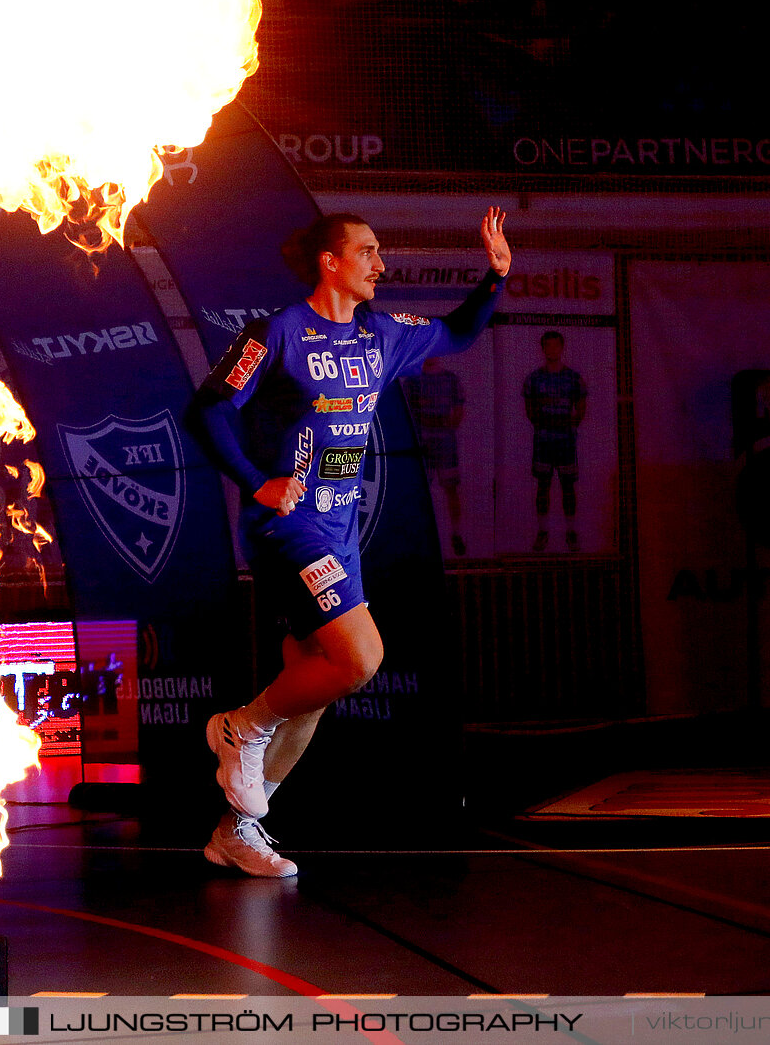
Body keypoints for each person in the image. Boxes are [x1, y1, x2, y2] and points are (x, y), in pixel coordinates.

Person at [189, 207, 510, 877]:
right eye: (368, 251)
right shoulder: (277, 331)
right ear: (330, 262)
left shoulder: (381, 334)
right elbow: (209, 408)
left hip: (342, 529)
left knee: (316, 683)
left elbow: (456, 332)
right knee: (361, 657)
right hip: (290, 528)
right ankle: (239, 727)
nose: (381, 263)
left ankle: (236, 829)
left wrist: (494, 278)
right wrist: (256, 482)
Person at [523, 330, 586, 551]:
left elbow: (581, 408)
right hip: (543, 441)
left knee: (568, 486)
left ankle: (571, 531)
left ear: (562, 347)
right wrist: (544, 425)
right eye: (547, 346)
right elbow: (530, 409)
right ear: (543, 349)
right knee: (543, 486)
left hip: (566, 442)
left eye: (555, 345)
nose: (552, 349)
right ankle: (543, 532)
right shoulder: (534, 378)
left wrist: (567, 426)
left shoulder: (573, 378)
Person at [400, 355, 466, 556]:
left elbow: (459, 409)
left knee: (451, 489)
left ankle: (456, 534)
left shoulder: (451, 379)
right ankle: (419, 537)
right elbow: (407, 412)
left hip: (445, 443)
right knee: (420, 492)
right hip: (421, 443)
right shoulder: (413, 380)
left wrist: (445, 426)